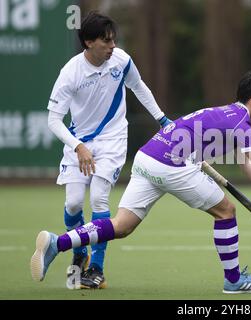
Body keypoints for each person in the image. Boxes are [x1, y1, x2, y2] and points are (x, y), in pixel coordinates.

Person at [32, 70, 251, 294]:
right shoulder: (241, 123)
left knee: (122, 226)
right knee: (226, 211)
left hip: (147, 158)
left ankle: (57, 243)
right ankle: (234, 280)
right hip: (170, 164)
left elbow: (249, 167)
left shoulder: (228, 114)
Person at [46, 11, 172, 289]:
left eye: (114, 40)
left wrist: (162, 120)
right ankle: (80, 251)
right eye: (106, 41)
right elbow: (53, 120)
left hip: (114, 140)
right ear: (89, 42)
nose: (112, 46)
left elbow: (139, 87)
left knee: (100, 201)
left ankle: (97, 268)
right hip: (79, 143)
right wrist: (78, 146)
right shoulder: (70, 72)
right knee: (73, 204)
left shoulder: (121, 61)